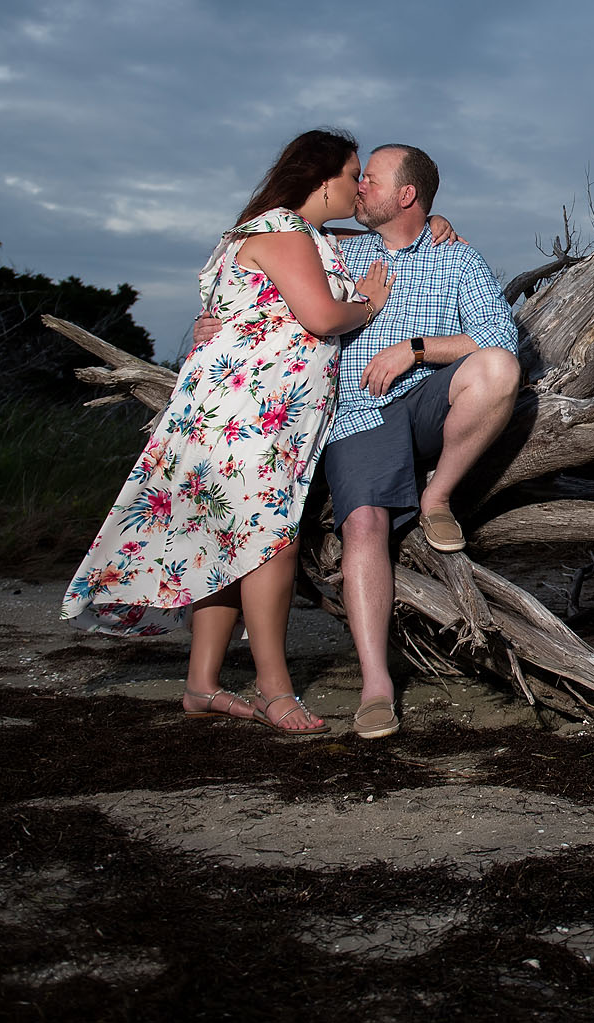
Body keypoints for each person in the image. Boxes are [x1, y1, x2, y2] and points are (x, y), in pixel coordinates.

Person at [62, 129, 391, 735]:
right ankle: (274, 690)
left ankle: (201, 686)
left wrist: (438, 220)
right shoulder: (282, 231)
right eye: (353, 175)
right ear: (322, 179)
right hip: (246, 415)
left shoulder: (283, 233)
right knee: (270, 544)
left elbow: (326, 256)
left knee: (226, 544)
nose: (359, 187)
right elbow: (321, 317)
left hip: (252, 413)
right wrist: (367, 305)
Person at [200, 143, 521, 740]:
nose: (359, 187)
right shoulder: (339, 254)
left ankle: (437, 498)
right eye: (358, 178)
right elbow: (270, 259)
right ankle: (377, 685)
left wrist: (416, 350)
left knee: (499, 367)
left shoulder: (459, 260)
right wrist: (213, 319)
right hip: (356, 414)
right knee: (365, 524)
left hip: (430, 402)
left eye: (370, 179)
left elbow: (498, 338)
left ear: (406, 195)